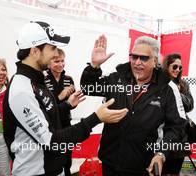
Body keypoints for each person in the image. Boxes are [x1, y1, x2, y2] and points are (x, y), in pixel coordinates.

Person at [3, 21, 128, 176]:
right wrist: (96, 118)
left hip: (53, 169)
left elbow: (47, 116)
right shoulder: (22, 90)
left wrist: (67, 105)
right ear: (35, 51)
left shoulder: (35, 80)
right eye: (53, 48)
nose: (56, 54)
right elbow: (52, 141)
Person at [80, 35, 187, 176]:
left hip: (144, 166)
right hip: (110, 162)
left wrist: (161, 153)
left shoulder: (167, 88)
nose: (137, 62)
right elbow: (88, 88)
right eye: (134, 57)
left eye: (143, 58)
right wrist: (94, 67)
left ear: (155, 61)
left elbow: (176, 127)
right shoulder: (116, 78)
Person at [161, 53, 194, 175]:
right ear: (167, 66)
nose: (178, 70)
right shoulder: (159, 83)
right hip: (162, 134)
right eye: (175, 67)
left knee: (175, 170)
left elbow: (190, 105)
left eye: (180, 67)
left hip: (180, 136)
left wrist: (176, 93)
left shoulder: (183, 84)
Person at [44, 48, 75, 176]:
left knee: (67, 159)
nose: (61, 64)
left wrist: (73, 101)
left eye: (62, 61)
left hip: (66, 123)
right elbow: (44, 105)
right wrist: (60, 97)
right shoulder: (43, 79)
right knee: (53, 158)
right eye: (56, 61)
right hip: (49, 125)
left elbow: (72, 104)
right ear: (48, 63)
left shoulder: (69, 79)